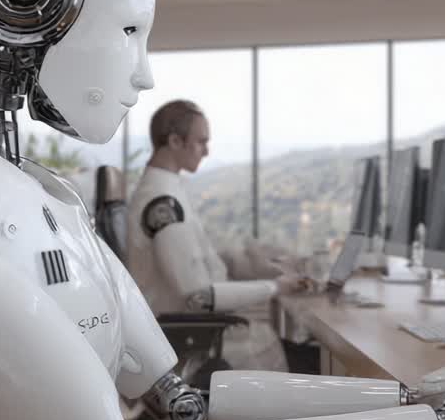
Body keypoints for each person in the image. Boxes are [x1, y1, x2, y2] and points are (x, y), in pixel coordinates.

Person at [126, 99, 309, 370]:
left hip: (188, 329)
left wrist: (251, 264)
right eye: (201, 142)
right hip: (188, 339)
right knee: (301, 355)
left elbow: (196, 261)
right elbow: (197, 296)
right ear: (175, 141)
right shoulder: (161, 202)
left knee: (301, 350)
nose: (207, 151)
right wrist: (276, 287)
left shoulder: (168, 190)